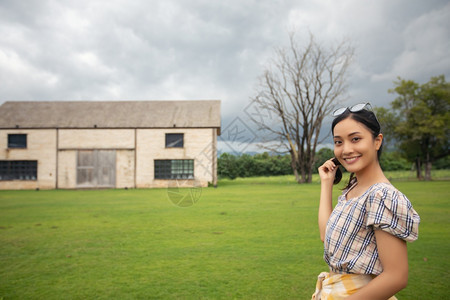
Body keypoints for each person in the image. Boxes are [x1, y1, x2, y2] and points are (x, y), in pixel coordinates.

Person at [312, 103, 420, 300]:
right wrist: (326, 183)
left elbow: (396, 277)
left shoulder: (382, 196)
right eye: (338, 142)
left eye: (355, 139)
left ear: (377, 141)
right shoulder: (353, 191)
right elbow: (325, 235)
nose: (346, 150)